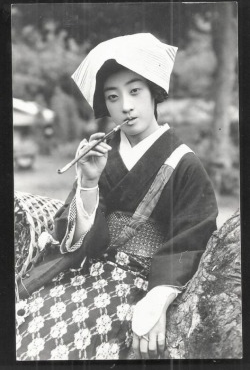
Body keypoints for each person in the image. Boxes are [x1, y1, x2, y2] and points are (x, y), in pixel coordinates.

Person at [16, 33, 218, 360]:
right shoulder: (103, 159)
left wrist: (157, 298)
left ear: (155, 92)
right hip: (86, 273)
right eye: (112, 97)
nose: (125, 106)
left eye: (135, 91)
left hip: (141, 285)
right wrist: (88, 183)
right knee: (28, 325)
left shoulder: (184, 163)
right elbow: (83, 243)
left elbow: (193, 239)